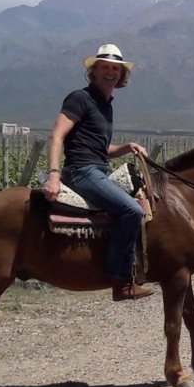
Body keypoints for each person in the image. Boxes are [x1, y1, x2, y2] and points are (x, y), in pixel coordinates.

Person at [43, 44, 153, 301]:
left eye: (116, 68)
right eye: (105, 67)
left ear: (122, 75)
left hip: (98, 169)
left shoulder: (106, 105)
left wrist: (127, 147)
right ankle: (121, 280)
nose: (111, 72)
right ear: (93, 71)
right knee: (132, 210)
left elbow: (102, 149)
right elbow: (57, 135)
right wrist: (54, 174)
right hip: (81, 172)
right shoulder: (79, 99)